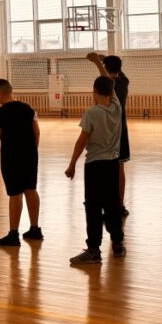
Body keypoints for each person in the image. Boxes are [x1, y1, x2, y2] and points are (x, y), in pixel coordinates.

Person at [65, 76, 125, 265]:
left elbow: (81, 141)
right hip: (113, 164)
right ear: (111, 92)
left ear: (94, 91)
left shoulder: (92, 113)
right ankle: (117, 244)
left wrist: (72, 164)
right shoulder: (117, 108)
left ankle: (93, 250)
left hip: (95, 165)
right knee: (113, 204)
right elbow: (113, 92)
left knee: (93, 207)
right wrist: (100, 65)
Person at [0, 79, 42, 247]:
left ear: (0, 95)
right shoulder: (29, 109)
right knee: (30, 189)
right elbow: (37, 132)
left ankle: (13, 234)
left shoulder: (0, 113)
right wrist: (32, 151)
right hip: (30, 156)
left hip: (11, 157)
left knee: (15, 193)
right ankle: (35, 229)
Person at [88, 53, 131, 217]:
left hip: (108, 131)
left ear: (106, 68)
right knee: (119, 168)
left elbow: (106, 80)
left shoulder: (109, 86)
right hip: (121, 130)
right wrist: (105, 59)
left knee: (106, 169)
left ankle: (110, 204)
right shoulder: (124, 81)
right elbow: (114, 72)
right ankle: (119, 204)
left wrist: (98, 62)